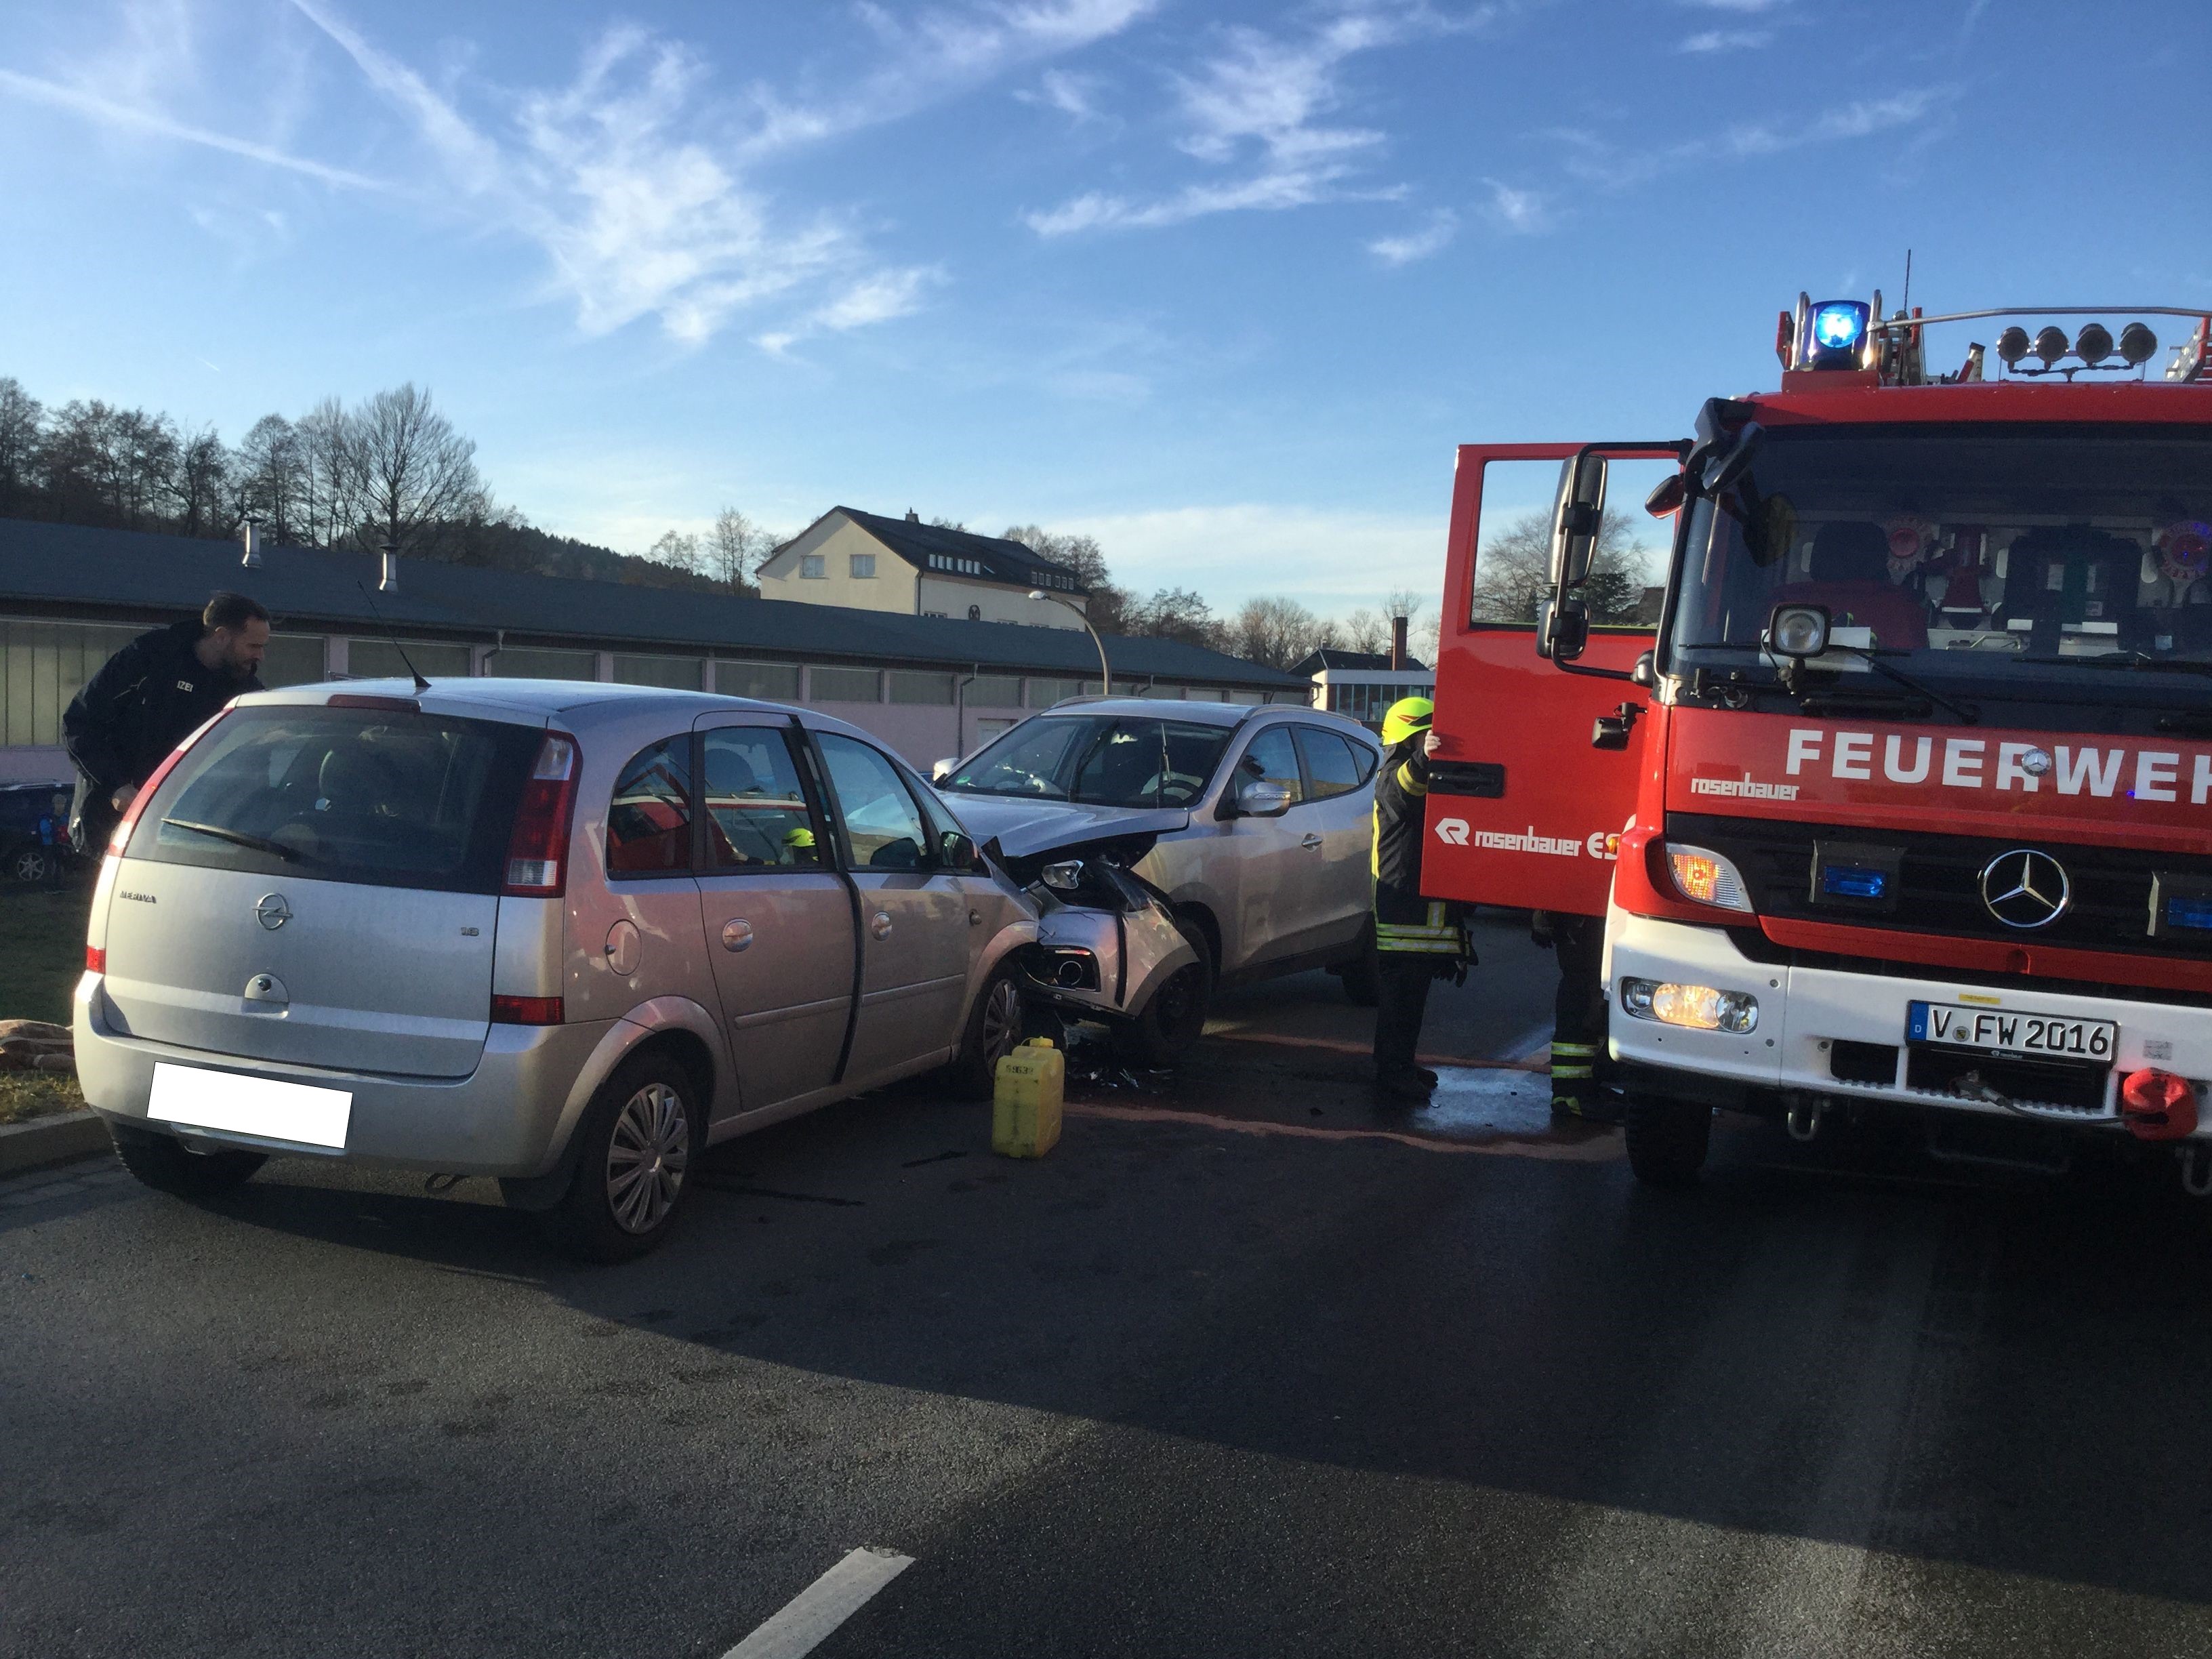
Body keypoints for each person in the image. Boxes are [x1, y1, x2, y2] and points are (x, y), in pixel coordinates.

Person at [63, 592, 270, 854]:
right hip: (115, 824)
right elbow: (80, 721)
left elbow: (257, 762)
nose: (261, 656)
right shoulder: (151, 659)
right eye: (253, 646)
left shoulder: (246, 690)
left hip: (193, 835)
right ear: (221, 637)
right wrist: (116, 787)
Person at [1370, 696, 1474, 1105]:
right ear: (1411, 739)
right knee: (1401, 997)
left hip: (1418, 905)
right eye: (1424, 738)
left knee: (1412, 998)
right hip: (1402, 907)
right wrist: (1424, 759)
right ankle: (1391, 1071)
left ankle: (1400, 1063)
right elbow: (1406, 791)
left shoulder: (1423, 775)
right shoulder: (1394, 774)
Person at [1532, 910, 1622, 1123]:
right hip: (1584, 925)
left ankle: (1587, 1088)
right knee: (1583, 1003)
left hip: (1587, 922)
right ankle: (1571, 1095)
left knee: (1594, 1001)